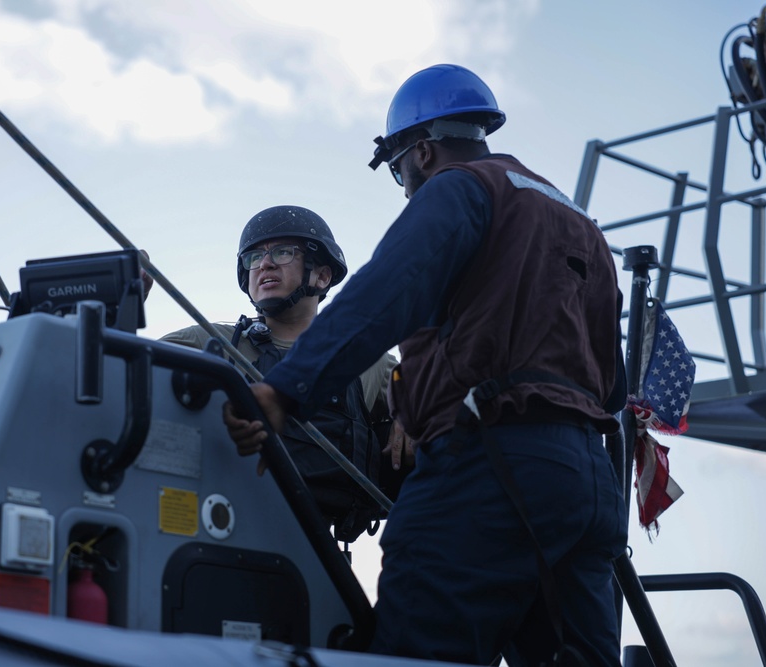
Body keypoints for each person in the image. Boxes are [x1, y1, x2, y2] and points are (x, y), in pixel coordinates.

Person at [223, 64, 629, 666]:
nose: (406, 186)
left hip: (491, 468)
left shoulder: (459, 188)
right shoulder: (578, 222)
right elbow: (613, 383)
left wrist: (283, 391)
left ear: (423, 152)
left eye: (397, 171)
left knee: (416, 649)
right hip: (588, 487)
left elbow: (385, 293)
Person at [159, 205, 412, 542]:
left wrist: (410, 412)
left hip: (319, 552)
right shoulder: (207, 342)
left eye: (282, 252)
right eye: (254, 257)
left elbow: (439, 398)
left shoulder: (368, 364)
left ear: (322, 276)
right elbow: (119, 366)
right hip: (212, 537)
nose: (264, 263)